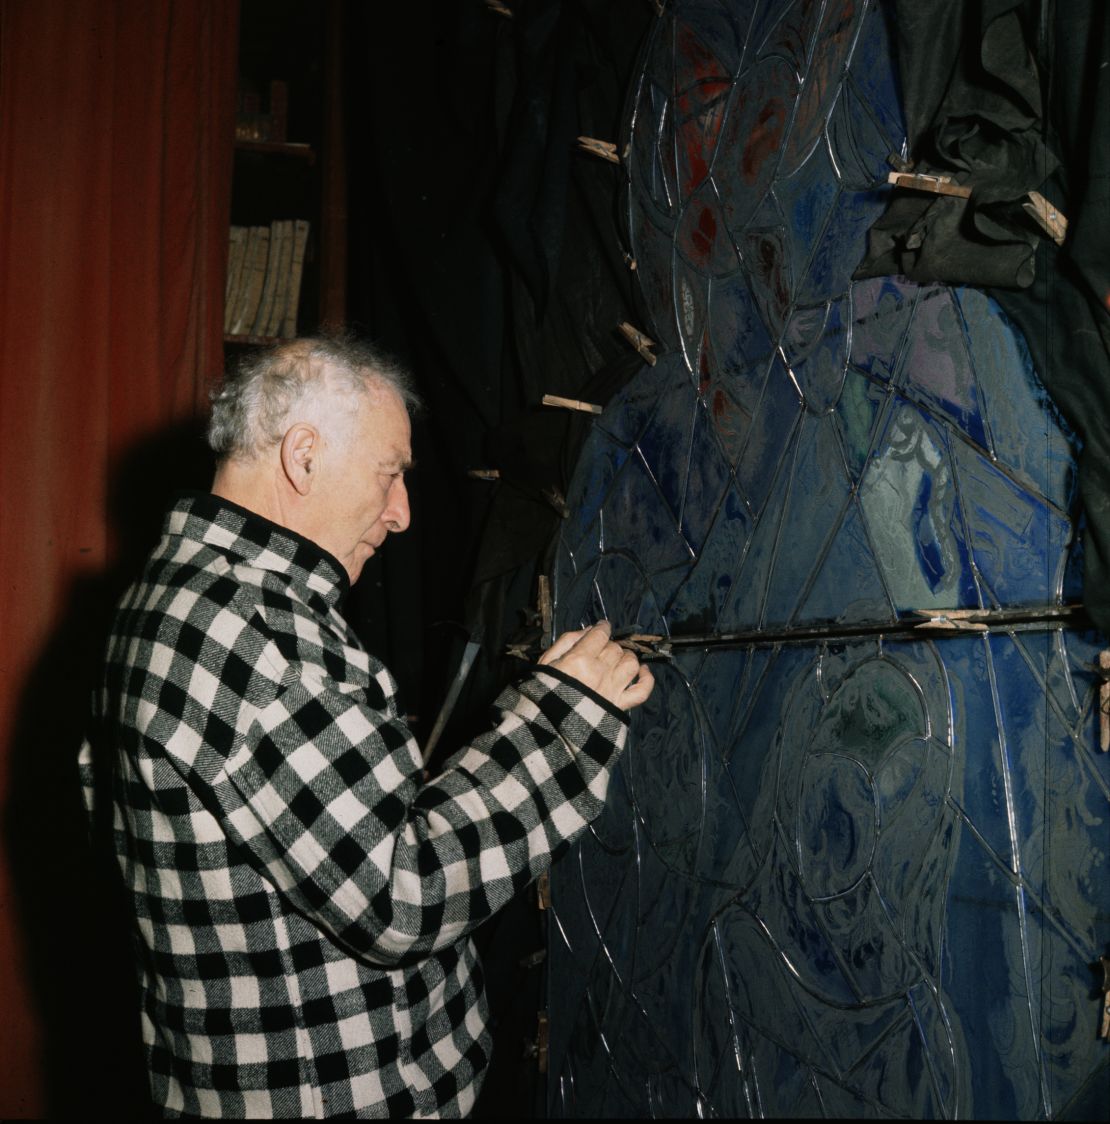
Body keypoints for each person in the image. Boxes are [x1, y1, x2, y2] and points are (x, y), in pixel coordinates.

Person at [78, 335, 653, 1118]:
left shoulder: (177, 594)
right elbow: (401, 890)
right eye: (390, 475)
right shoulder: (258, 636)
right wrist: (567, 713)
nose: (402, 513)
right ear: (303, 455)